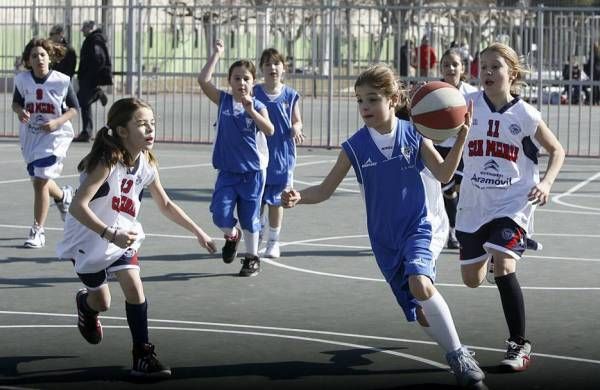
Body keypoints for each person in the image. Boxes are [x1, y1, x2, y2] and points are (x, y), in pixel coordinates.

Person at [282, 64, 485, 388]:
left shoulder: (413, 134)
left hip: (418, 226)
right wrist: (297, 197)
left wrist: (461, 137)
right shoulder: (355, 147)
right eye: (360, 101)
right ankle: (452, 349)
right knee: (420, 311)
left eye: (372, 99)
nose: (364, 107)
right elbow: (324, 190)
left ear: (392, 100)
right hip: (384, 239)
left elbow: (445, 175)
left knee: (420, 282)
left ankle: (459, 357)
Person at [56, 97, 217, 377]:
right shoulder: (107, 162)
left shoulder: (146, 163)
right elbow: (77, 206)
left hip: (122, 235)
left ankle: (143, 355)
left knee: (134, 286)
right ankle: (86, 304)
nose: (150, 129)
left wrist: (198, 231)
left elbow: (166, 204)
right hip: (88, 237)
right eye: (141, 125)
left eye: (152, 123)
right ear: (122, 131)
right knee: (102, 302)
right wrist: (108, 233)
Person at [456, 42, 565, 372]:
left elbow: (557, 150)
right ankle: (491, 255)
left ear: (512, 74)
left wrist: (545, 184)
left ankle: (519, 344)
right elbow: (437, 125)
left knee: (505, 267)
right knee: (471, 280)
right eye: (483, 67)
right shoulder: (466, 104)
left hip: (512, 202)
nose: (487, 72)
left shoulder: (526, 115)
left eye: (495, 67)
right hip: (474, 202)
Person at [197, 39, 274, 276]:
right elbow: (203, 80)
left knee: (250, 218)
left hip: (252, 173)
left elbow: (269, 130)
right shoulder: (223, 101)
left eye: (246, 78)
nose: (241, 82)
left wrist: (251, 110)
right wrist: (217, 54)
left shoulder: (259, 105)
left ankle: (252, 258)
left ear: (253, 82)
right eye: (237, 78)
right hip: (227, 172)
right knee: (220, 214)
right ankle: (232, 235)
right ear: (230, 81)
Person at [12, 38, 79, 248]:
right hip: (31, 135)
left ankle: (37, 231)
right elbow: (16, 103)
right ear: (28, 61)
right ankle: (63, 196)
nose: (39, 58)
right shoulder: (22, 80)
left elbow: (74, 109)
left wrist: (57, 122)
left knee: (40, 180)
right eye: (34, 56)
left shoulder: (61, 81)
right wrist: (19, 111)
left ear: (49, 57)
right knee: (39, 178)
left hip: (55, 136)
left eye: (42, 54)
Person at [253, 48, 303, 258]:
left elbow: (297, 120)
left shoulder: (290, 95)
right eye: (267, 64)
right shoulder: (254, 92)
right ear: (261, 69)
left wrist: (297, 128)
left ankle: (274, 240)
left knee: (276, 200)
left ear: (284, 68)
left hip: (282, 155)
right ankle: (258, 231)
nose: (272, 67)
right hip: (257, 155)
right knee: (257, 199)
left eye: (276, 63)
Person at [436, 48, 479, 249]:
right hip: (440, 149)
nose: (450, 68)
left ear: (463, 68)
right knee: (448, 191)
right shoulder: (433, 93)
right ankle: (453, 230)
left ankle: (461, 230)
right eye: (446, 64)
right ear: (441, 68)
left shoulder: (472, 94)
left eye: (455, 64)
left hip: (464, 148)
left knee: (462, 190)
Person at [73, 20, 113, 142]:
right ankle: (87, 131)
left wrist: (90, 74)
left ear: (90, 28)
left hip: (90, 78)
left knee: (82, 102)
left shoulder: (94, 40)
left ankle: (87, 132)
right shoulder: (93, 39)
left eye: (84, 28)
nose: (82, 31)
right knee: (83, 103)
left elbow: (98, 59)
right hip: (89, 77)